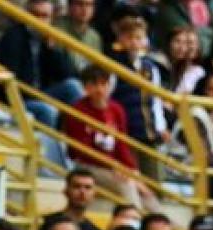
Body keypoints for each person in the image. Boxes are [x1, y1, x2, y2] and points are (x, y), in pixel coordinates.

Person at [64, 65, 159, 212]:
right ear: (85, 88)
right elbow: (78, 151)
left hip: (114, 166)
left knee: (146, 192)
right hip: (88, 165)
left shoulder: (117, 110)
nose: (100, 89)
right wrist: (115, 167)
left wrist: (133, 172)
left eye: (104, 84)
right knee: (126, 184)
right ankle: (135, 225)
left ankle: (164, 226)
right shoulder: (77, 111)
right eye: (94, 85)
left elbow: (122, 145)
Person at [0, 0, 81, 128]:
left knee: (73, 87)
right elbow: (11, 82)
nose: (39, 21)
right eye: (35, 15)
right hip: (19, 99)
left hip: (39, 93)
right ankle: (46, 146)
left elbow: (68, 74)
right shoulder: (14, 37)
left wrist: (52, 50)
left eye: (44, 16)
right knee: (48, 111)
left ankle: (79, 139)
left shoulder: (46, 40)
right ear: (26, 15)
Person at [109, 15, 169, 184]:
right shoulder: (114, 65)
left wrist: (161, 126)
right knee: (131, 179)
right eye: (129, 38)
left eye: (139, 38)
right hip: (127, 132)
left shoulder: (151, 68)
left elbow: (156, 99)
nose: (134, 42)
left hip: (148, 132)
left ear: (145, 40)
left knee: (154, 180)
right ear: (120, 39)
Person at [55, 0, 102, 74]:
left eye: (89, 5)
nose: (85, 9)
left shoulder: (95, 37)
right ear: (69, 7)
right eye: (80, 4)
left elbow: (96, 67)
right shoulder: (58, 28)